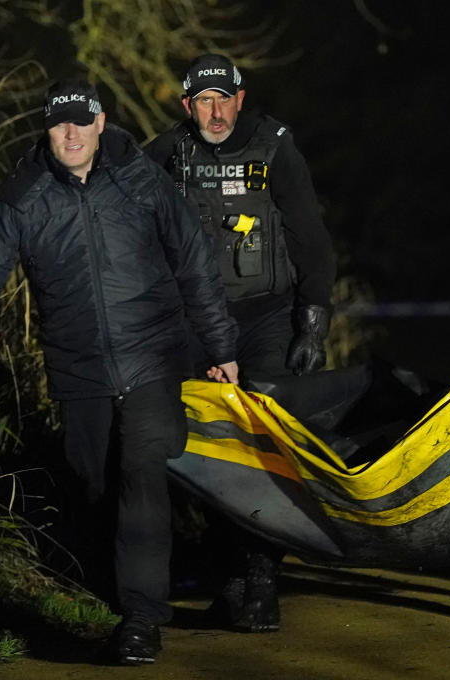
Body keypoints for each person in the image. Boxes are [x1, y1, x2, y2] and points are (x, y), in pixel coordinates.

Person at [0, 77, 239, 666]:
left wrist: (220, 346)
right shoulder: (25, 195)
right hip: (80, 370)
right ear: (48, 130)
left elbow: (194, 260)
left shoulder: (141, 178)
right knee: (94, 486)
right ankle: (114, 601)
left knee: (141, 475)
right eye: (58, 123)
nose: (70, 133)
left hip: (153, 356)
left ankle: (142, 619)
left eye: (79, 121)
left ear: (99, 122)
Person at [145, 54, 336, 634]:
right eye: (204, 100)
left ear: (240, 99)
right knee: (207, 446)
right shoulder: (163, 155)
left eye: (224, 98)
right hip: (195, 324)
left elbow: (310, 236)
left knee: (261, 444)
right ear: (187, 106)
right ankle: (227, 570)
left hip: (268, 318)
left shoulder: (275, 148)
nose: (216, 111)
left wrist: (314, 319)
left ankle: (259, 576)